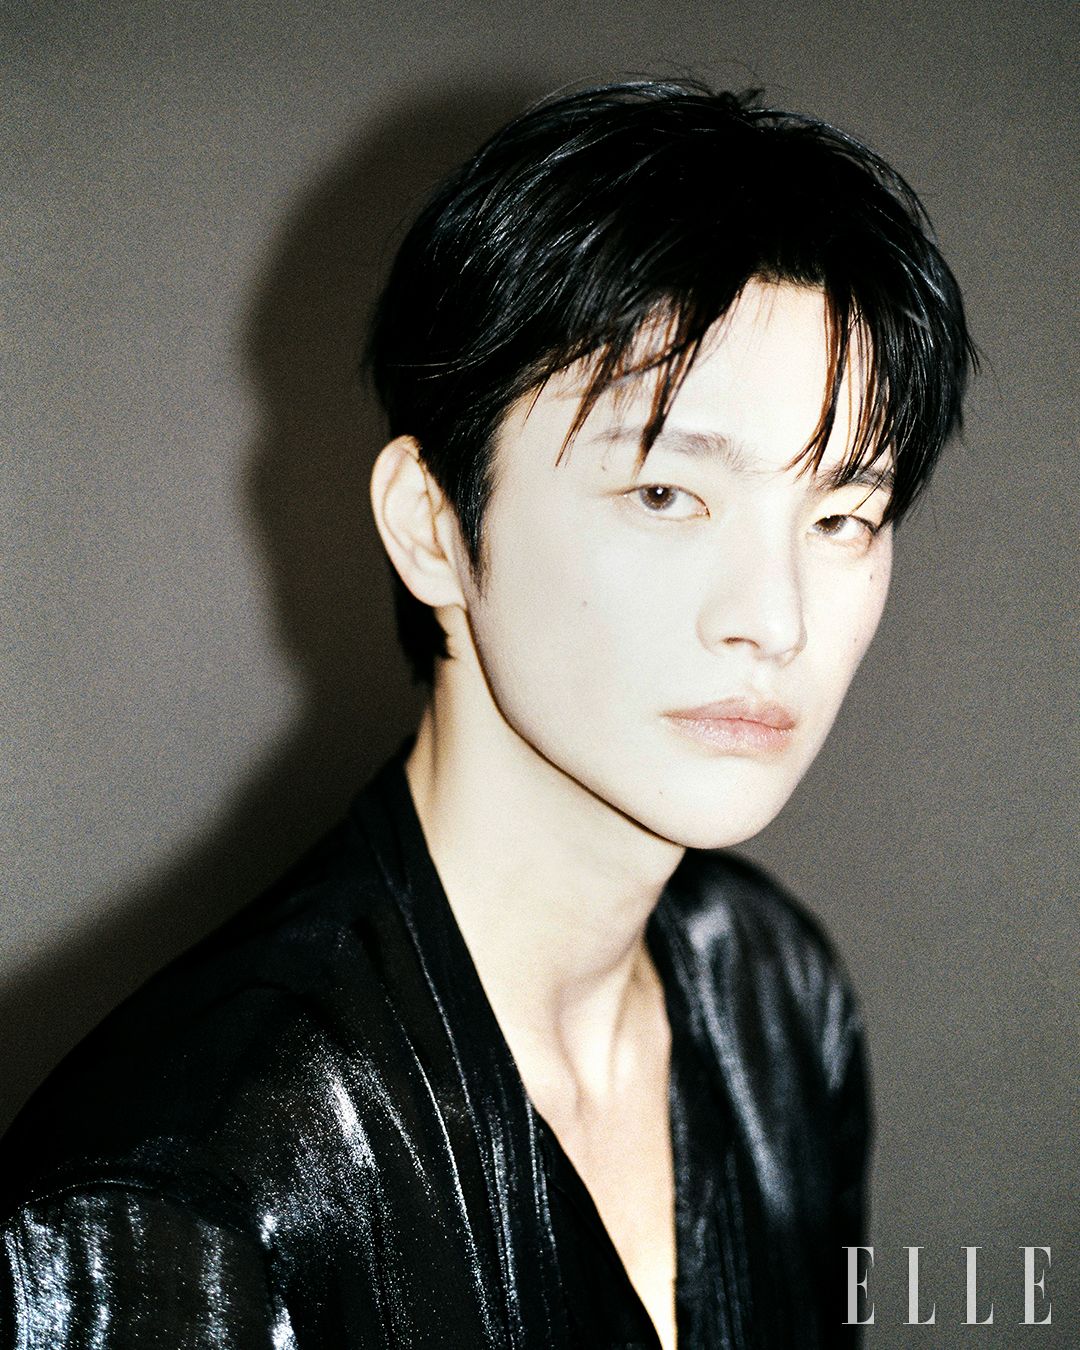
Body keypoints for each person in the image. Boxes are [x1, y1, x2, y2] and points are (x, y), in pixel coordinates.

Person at [0, 80, 973, 1348]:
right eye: (667, 495)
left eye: (843, 516)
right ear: (432, 527)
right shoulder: (170, 1206)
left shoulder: (773, 995)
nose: (775, 619)